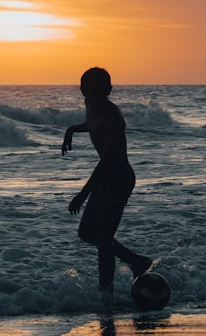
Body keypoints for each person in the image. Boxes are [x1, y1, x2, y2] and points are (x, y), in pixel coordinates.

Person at [62, 67, 152, 301]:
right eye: (90, 94)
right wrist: (72, 129)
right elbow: (93, 125)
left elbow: (108, 161)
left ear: (109, 91)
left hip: (118, 178)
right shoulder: (90, 106)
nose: (94, 99)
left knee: (103, 238)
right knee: (86, 233)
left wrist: (82, 194)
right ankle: (135, 261)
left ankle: (107, 296)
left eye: (101, 94)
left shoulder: (114, 116)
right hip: (105, 178)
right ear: (83, 92)